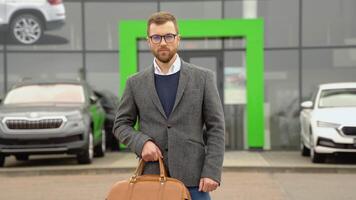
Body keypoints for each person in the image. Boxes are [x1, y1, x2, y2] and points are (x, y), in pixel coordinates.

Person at [113, 11, 225, 200]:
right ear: (149, 41)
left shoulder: (203, 78)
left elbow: (217, 128)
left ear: (178, 39)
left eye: (168, 36)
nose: (163, 42)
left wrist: (212, 171)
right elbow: (120, 124)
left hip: (195, 180)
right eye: (156, 37)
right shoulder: (135, 83)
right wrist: (142, 143)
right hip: (151, 178)